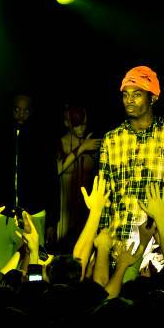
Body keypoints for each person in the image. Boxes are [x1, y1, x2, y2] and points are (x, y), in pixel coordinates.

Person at [97, 65, 164, 242]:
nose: (129, 100)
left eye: (137, 94)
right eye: (125, 95)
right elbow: (104, 198)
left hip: (160, 247)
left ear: (153, 98)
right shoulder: (111, 140)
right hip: (119, 243)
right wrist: (103, 242)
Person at [0, 93, 59, 273]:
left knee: (32, 275)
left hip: (32, 216)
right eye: (17, 109)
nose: (21, 115)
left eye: (26, 110)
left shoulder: (43, 139)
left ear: (32, 112)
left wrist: (52, 222)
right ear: (11, 110)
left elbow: (52, 181)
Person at [57, 104, 101, 251]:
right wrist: (82, 148)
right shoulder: (61, 143)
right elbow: (58, 170)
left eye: (85, 124)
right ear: (67, 123)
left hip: (84, 212)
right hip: (64, 213)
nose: (82, 128)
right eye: (77, 125)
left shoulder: (91, 144)